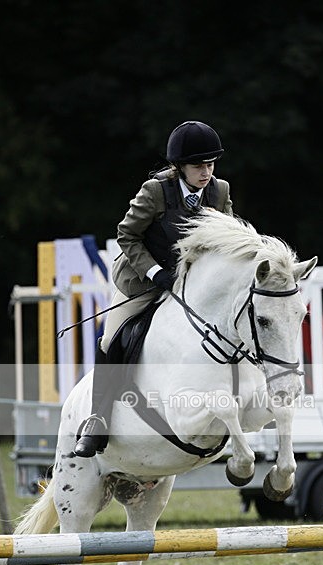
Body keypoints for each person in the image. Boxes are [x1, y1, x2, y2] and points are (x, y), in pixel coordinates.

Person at [74, 120, 233, 457]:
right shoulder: (156, 191)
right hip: (142, 281)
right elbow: (127, 235)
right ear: (179, 166)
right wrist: (155, 272)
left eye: (210, 164)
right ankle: (97, 421)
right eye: (197, 166)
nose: (206, 172)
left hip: (194, 286)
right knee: (110, 337)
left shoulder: (219, 191)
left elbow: (228, 240)